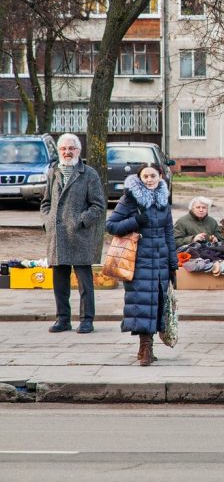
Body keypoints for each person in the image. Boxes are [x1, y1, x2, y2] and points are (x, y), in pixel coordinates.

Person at [105, 163, 177, 366]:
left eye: (153, 176)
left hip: (160, 262)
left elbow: (169, 233)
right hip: (138, 262)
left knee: (157, 305)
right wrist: (136, 220)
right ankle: (145, 348)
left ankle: (146, 347)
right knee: (142, 305)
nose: (149, 180)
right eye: (145, 176)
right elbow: (111, 226)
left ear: (160, 176)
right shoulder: (130, 199)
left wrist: (173, 263)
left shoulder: (164, 200)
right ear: (139, 178)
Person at [41, 133, 106, 335]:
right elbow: (46, 202)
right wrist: (48, 221)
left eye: (72, 148)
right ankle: (63, 319)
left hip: (79, 235)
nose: (67, 152)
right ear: (59, 151)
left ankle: (87, 319)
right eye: (64, 148)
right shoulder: (53, 171)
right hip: (57, 236)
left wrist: (81, 221)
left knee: (84, 282)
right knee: (59, 282)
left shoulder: (89, 174)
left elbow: (98, 205)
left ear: (79, 151)